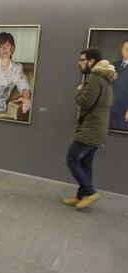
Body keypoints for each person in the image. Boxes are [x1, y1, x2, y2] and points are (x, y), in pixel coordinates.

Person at [63, 49, 116, 210]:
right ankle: (81, 196)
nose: (79, 63)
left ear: (91, 62)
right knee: (85, 163)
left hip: (90, 130)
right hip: (98, 131)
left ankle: (90, 192)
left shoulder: (94, 77)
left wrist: (79, 92)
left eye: (82, 60)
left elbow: (85, 102)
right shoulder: (106, 79)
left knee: (71, 159)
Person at [109, 39, 128, 131]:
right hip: (110, 109)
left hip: (125, 111)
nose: (126, 50)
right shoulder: (113, 65)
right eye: (124, 48)